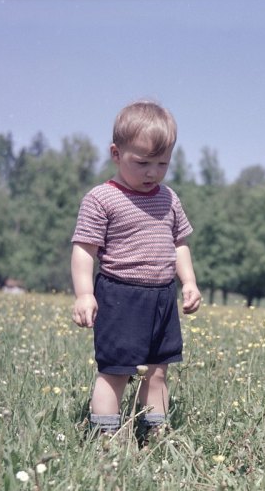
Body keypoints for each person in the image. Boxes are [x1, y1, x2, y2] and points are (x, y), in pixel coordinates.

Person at [70, 100, 202, 439]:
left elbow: (179, 243)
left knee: (158, 372)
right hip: (120, 296)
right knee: (115, 371)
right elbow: (84, 250)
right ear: (116, 153)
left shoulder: (169, 198)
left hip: (161, 297)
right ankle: (106, 438)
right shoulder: (101, 198)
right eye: (142, 162)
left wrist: (188, 281)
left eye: (162, 163)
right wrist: (84, 294)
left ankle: (154, 433)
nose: (152, 173)